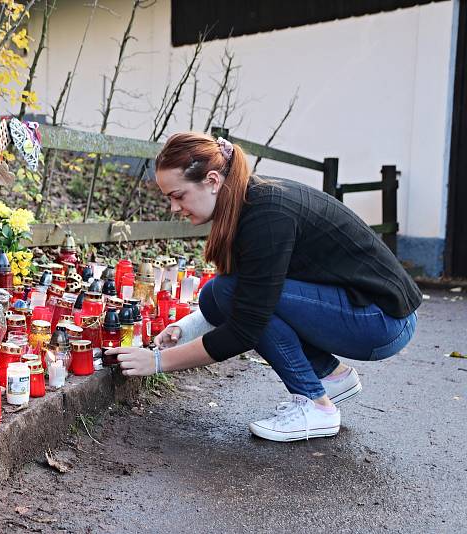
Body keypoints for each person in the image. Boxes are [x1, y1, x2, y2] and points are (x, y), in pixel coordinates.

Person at [106, 132, 421, 442]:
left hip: (382, 321)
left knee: (234, 296)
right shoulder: (246, 199)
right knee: (220, 292)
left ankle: (316, 406)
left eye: (178, 195)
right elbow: (232, 296)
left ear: (213, 180)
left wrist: (157, 363)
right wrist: (183, 329)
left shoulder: (266, 215)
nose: (174, 207)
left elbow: (245, 329)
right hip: (364, 310)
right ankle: (330, 377)